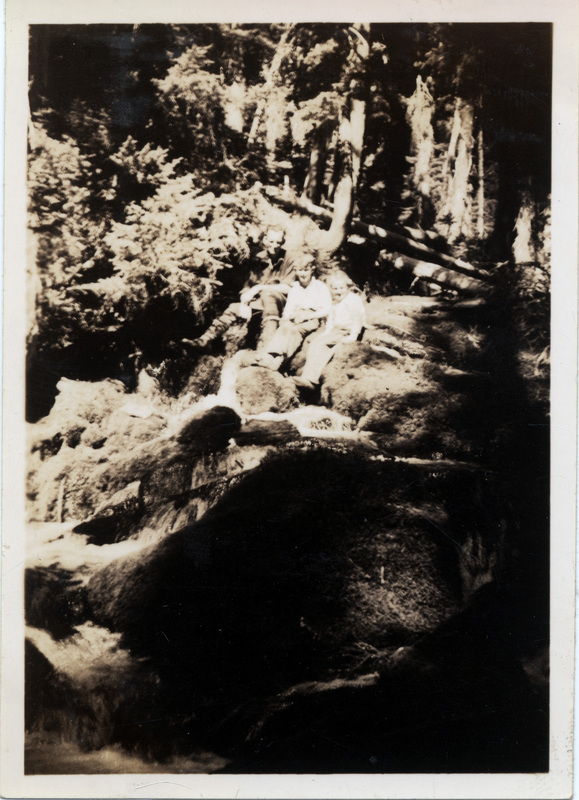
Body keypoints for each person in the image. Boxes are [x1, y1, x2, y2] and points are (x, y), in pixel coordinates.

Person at [182, 227, 291, 353]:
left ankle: (268, 349)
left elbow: (288, 288)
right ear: (265, 240)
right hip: (259, 304)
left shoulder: (289, 258)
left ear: (283, 242)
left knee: (268, 294)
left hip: (279, 305)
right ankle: (205, 340)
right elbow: (248, 286)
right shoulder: (259, 258)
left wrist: (259, 288)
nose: (274, 246)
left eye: (278, 242)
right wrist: (245, 303)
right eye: (271, 242)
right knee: (233, 308)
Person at [255, 254, 332, 371]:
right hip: (295, 316)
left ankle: (280, 358)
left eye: (306, 270)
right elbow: (288, 308)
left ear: (312, 270)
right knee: (284, 328)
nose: (303, 274)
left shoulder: (320, 287)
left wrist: (308, 315)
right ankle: (269, 355)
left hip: (312, 317)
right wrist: (288, 317)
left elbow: (327, 309)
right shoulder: (295, 289)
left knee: (294, 330)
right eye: (300, 270)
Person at [292, 270, 366, 389]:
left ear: (348, 287)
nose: (338, 291)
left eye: (341, 288)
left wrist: (353, 336)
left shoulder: (352, 300)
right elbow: (331, 318)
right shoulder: (335, 302)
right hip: (335, 331)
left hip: (346, 331)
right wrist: (327, 331)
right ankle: (306, 375)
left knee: (324, 346)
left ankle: (312, 379)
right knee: (315, 343)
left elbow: (357, 319)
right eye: (335, 289)